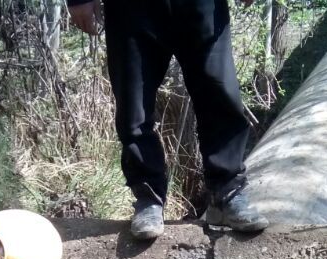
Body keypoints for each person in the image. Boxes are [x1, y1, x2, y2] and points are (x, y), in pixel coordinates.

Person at [68, 0, 268, 240]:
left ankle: (227, 192)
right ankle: (148, 198)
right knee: (134, 106)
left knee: (220, 95)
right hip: (131, 8)